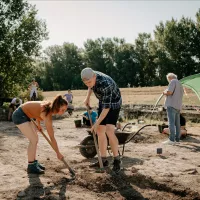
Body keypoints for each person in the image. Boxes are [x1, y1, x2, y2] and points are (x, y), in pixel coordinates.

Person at [12, 95, 68, 174]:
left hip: (26, 114)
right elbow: (52, 137)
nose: (63, 112)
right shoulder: (47, 113)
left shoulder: (49, 107)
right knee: (33, 140)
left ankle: (34, 162)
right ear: (57, 106)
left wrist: (39, 124)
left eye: (64, 110)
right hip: (20, 115)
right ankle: (31, 166)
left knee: (35, 139)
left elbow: (37, 113)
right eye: (62, 110)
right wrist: (58, 153)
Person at [81, 67, 122, 173]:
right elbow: (90, 87)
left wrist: (96, 123)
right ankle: (103, 160)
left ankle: (117, 160)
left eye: (89, 82)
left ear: (94, 76)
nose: (88, 84)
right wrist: (87, 97)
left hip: (114, 103)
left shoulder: (105, 84)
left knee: (109, 130)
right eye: (86, 83)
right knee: (100, 131)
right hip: (104, 101)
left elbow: (107, 109)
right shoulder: (91, 79)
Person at [162, 73, 183, 145]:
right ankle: (177, 140)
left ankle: (171, 140)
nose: (168, 81)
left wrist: (164, 92)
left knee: (171, 123)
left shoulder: (173, 81)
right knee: (177, 124)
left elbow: (169, 92)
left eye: (168, 79)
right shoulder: (180, 84)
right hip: (178, 106)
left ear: (169, 78)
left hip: (171, 105)